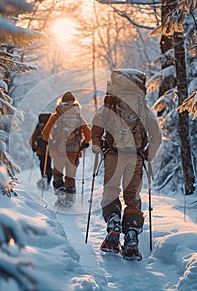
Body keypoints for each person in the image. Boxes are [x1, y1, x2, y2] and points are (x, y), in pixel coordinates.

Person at [91, 69, 162, 260]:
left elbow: (96, 126)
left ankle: (113, 226)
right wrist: (148, 154)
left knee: (111, 191)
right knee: (132, 197)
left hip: (113, 155)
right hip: (135, 157)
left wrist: (97, 147)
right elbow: (156, 135)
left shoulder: (110, 105)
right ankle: (131, 236)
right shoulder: (143, 107)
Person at [42, 91, 91, 206]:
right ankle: (69, 201)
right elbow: (88, 134)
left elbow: (45, 134)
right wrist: (83, 144)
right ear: (74, 102)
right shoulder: (78, 116)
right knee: (70, 176)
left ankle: (60, 194)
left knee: (58, 174)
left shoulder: (56, 115)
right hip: (73, 152)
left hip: (58, 151)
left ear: (61, 101)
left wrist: (51, 144)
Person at [30, 113, 52, 189]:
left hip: (40, 150)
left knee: (43, 165)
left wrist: (34, 147)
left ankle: (44, 177)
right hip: (50, 150)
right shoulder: (51, 125)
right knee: (48, 164)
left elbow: (33, 137)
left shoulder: (39, 126)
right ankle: (48, 181)